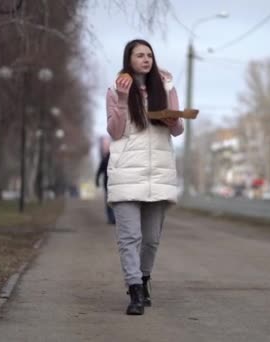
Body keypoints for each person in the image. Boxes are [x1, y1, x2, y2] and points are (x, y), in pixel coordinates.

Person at [106, 39, 184, 315]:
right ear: (129, 59)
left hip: (158, 173)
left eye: (149, 55)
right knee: (130, 238)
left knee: (151, 239)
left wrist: (174, 119)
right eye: (140, 55)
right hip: (127, 173)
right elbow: (115, 132)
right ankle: (135, 291)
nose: (146, 59)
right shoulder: (115, 90)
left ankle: (145, 277)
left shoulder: (165, 87)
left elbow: (177, 131)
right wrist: (124, 99)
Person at [95, 151, 115, 224]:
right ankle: (111, 218)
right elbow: (99, 171)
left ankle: (112, 218)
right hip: (109, 184)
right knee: (110, 201)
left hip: (114, 184)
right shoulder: (106, 160)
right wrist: (96, 181)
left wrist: (97, 181)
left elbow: (99, 172)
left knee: (111, 202)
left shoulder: (106, 159)